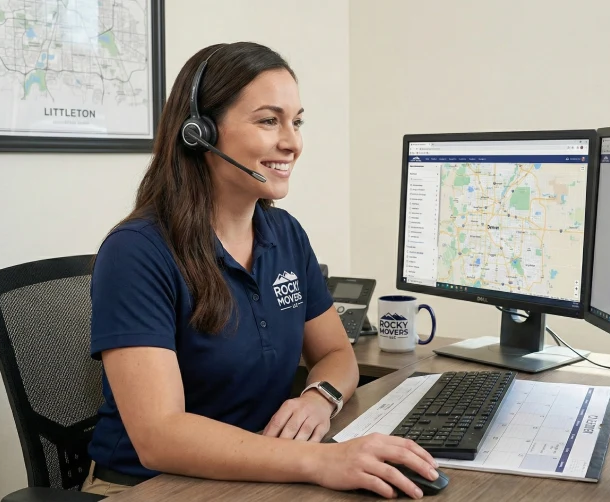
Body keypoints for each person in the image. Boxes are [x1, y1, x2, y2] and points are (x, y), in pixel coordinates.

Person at [80, 42, 439, 499]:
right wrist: (321, 462)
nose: (292, 142)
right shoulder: (136, 252)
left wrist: (320, 398)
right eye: (269, 121)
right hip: (148, 486)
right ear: (199, 133)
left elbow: (336, 352)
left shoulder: (284, 234)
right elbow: (159, 436)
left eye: (297, 122)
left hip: (261, 469)